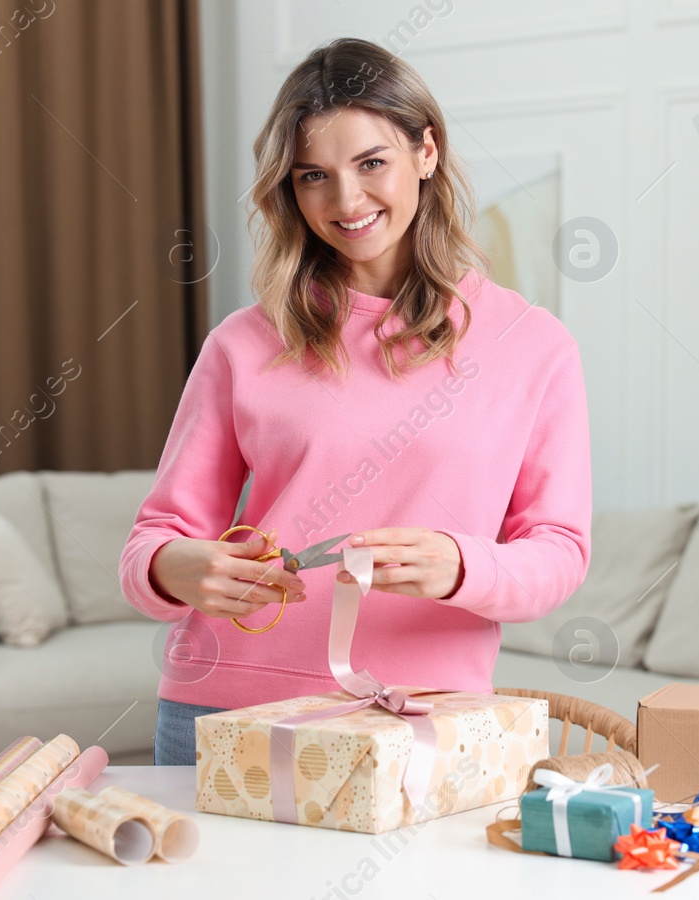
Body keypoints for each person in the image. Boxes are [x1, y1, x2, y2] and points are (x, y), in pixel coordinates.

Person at [119, 37, 592, 767]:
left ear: (425, 152)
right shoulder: (241, 345)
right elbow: (153, 540)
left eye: (372, 163)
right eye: (314, 176)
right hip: (222, 713)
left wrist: (462, 567)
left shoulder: (534, 345)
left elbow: (559, 553)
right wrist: (174, 569)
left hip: (422, 721)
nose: (346, 201)